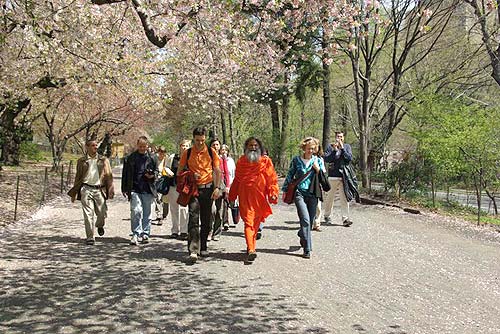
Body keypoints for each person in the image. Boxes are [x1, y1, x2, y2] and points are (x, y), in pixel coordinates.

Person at [228, 137, 279, 262]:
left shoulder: (266, 161)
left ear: (260, 147)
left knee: (256, 224)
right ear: (246, 147)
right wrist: (232, 196)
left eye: (256, 145)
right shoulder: (241, 162)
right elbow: (237, 180)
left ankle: (251, 246)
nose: (253, 147)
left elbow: (271, 179)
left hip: (259, 197)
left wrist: (273, 192)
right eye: (250, 145)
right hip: (245, 196)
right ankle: (251, 249)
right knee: (248, 222)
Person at [177, 127, 222, 262]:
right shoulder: (188, 152)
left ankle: (204, 246)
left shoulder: (211, 151)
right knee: (193, 218)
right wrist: (190, 174)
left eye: (202, 140)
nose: (200, 143)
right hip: (193, 190)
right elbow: (180, 171)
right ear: (193, 139)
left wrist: (217, 188)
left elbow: (217, 170)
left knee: (207, 219)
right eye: (197, 140)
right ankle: (193, 249)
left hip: (208, 189)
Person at [282, 137, 324, 259]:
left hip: (313, 193)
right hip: (299, 193)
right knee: (305, 219)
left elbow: (323, 179)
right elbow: (290, 174)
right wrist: (285, 190)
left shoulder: (317, 161)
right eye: (308, 148)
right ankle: (307, 249)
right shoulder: (296, 160)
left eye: (313, 148)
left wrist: (318, 170)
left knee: (309, 222)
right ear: (304, 148)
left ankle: (302, 233)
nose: (310, 151)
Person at [68, 139, 114, 245]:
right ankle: (90, 237)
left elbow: (109, 176)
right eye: (93, 145)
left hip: (99, 189)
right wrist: (74, 193)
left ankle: (100, 225)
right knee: (88, 214)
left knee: (102, 213)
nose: (95, 147)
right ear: (87, 147)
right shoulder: (81, 161)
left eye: (96, 145)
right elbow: (78, 177)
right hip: (86, 189)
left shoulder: (103, 160)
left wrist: (110, 190)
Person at [121, 136, 158, 245]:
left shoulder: (152, 157)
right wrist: (124, 188)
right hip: (134, 188)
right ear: (137, 146)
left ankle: (145, 233)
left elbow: (157, 171)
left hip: (148, 188)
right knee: (136, 211)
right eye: (140, 146)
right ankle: (136, 233)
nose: (142, 148)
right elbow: (125, 174)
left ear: (147, 146)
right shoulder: (130, 158)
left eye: (144, 146)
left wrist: (152, 176)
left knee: (147, 212)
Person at [323, 131, 353, 227]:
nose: (339, 138)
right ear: (335, 137)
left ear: (343, 138)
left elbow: (349, 158)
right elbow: (327, 159)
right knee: (329, 198)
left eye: (341, 136)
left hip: (344, 176)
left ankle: (345, 219)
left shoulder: (347, 147)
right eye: (337, 136)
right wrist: (335, 150)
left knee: (344, 198)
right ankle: (327, 216)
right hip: (332, 176)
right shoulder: (330, 147)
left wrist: (342, 148)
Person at [165, 139, 191, 240]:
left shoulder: (191, 158)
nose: (184, 147)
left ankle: (184, 231)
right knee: (174, 209)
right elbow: (166, 167)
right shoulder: (173, 157)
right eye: (183, 145)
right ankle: (175, 230)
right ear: (180, 146)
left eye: (186, 146)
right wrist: (168, 172)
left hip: (186, 187)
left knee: (184, 209)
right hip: (174, 186)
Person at [220, 144, 238, 228]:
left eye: (225, 150)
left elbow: (234, 173)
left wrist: (233, 184)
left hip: (231, 183)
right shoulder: (218, 160)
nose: (224, 151)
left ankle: (236, 218)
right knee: (224, 204)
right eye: (222, 150)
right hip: (222, 184)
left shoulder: (230, 161)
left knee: (233, 203)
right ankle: (225, 222)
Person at [312, 141, 326, 231]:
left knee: (318, 206)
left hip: (317, 184)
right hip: (307, 185)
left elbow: (323, 172)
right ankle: (309, 222)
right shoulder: (305, 158)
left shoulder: (320, 159)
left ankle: (317, 223)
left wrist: (318, 169)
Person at [154, 146, 169, 225]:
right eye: (160, 153)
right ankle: (159, 215)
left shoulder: (167, 160)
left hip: (165, 181)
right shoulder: (155, 159)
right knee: (158, 199)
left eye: (163, 153)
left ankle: (165, 214)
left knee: (166, 200)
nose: (161, 154)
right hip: (157, 181)